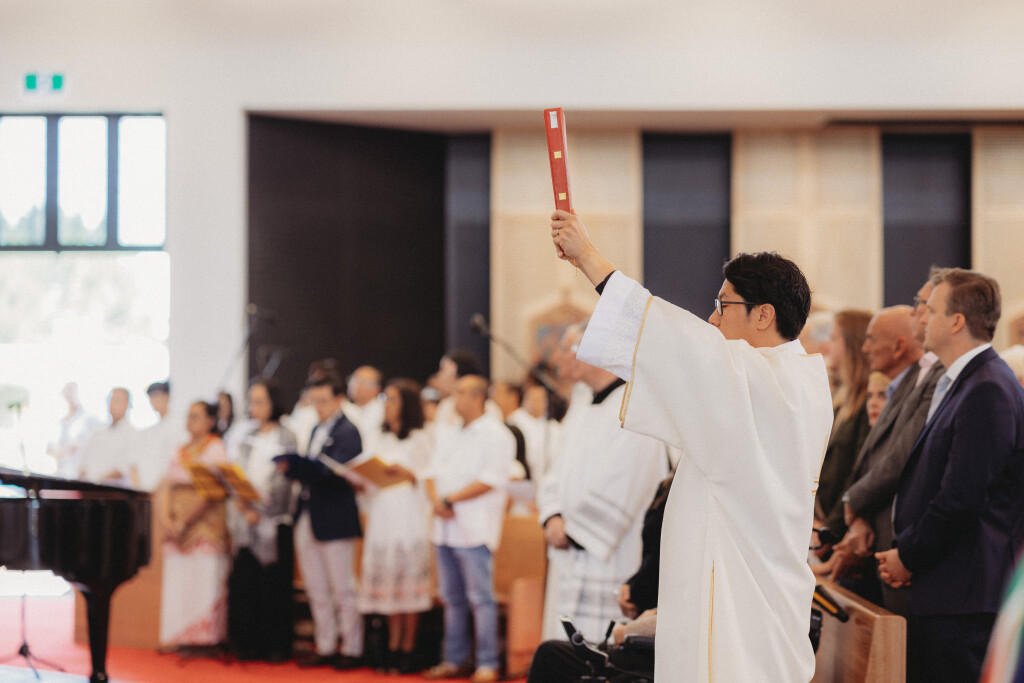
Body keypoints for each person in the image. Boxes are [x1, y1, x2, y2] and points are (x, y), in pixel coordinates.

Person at [550, 210, 834, 681]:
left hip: (740, 594)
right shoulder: (794, 379)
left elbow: (665, 335)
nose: (712, 319)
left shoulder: (767, 383)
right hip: (746, 581)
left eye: (724, 305)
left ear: (764, 314)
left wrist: (588, 258)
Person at [876, 268, 1024, 683]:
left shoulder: (987, 387)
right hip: (949, 589)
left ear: (957, 321)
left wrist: (908, 555)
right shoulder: (966, 381)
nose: (921, 318)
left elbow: (963, 496)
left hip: (965, 595)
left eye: (931, 309)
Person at [537, 320, 667, 642]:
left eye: (569, 348)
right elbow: (555, 467)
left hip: (608, 551)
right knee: (563, 644)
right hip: (568, 548)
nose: (561, 357)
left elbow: (627, 480)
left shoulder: (635, 403)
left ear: (598, 350)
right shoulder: (581, 401)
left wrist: (573, 532)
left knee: (601, 646)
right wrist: (552, 515)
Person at [838, 272, 946, 616]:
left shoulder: (941, 377)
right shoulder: (916, 376)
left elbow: (901, 457)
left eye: (923, 306)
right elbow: (873, 456)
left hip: (909, 549)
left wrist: (853, 502)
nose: (917, 314)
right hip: (883, 539)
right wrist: (856, 515)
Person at [422, 375, 515, 683]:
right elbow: (431, 471)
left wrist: (450, 499)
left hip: (474, 527)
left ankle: (487, 662)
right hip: (444, 526)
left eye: (460, 392)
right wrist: (437, 500)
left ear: (477, 397)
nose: (454, 398)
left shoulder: (496, 434)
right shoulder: (449, 431)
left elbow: (491, 479)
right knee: (451, 598)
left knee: (480, 598)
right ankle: (454, 658)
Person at [277, 374, 365, 669]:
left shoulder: (348, 431)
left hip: (334, 515)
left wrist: (305, 468)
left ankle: (352, 647)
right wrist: (293, 467)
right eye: (315, 401)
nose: (318, 407)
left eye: (324, 401)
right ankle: (325, 644)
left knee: (342, 586)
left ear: (340, 399)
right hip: (309, 512)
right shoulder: (316, 427)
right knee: (316, 587)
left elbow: (334, 471)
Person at [357, 378, 433, 674]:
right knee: (388, 582)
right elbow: (368, 472)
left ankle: (408, 647)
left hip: (409, 514)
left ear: (407, 404)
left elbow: (429, 477)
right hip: (383, 514)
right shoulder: (379, 436)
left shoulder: (420, 437)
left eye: (392, 399)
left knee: (407, 583)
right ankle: (391, 644)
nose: (387, 405)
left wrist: (409, 473)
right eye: (384, 399)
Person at [226, 378, 297, 662]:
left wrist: (262, 508)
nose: (254, 407)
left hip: (273, 519)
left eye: (260, 401)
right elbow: (238, 472)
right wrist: (243, 504)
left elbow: (285, 479)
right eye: (251, 401)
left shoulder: (286, 436)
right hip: (247, 517)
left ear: (273, 403)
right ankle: (246, 642)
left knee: (273, 584)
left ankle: (274, 644)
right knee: (246, 583)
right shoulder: (246, 435)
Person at [157, 400, 230, 650]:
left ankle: (204, 640)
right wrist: (167, 520)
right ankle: (180, 637)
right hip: (176, 524)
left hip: (202, 526)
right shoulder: (180, 449)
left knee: (202, 580)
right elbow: (165, 485)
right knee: (180, 582)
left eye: (196, 416)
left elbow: (211, 491)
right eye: (188, 415)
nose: (190, 421)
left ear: (211, 421)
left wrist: (184, 523)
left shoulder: (215, 448)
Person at [812, 309, 872, 559]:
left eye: (834, 339)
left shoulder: (868, 402)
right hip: (824, 521)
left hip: (839, 531)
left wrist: (830, 529)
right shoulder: (843, 397)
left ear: (852, 345)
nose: (828, 346)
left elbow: (856, 472)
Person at [79, 387, 138, 486]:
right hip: (87, 489)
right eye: (110, 400)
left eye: (117, 401)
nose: (112, 404)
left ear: (127, 404)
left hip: (113, 491)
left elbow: (122, 469)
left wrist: (97, 483)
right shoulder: (96, 433)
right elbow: (82, 465)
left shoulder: (133, 435)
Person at [134, 381, 187, 492]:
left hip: (167, 488)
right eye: (151, 397)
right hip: (146, 488)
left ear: (167, 396)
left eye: (157, 396)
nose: (154, 401)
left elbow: (178, 459)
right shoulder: (149, 431)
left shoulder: (179, 426)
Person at [47, 381, 101, 479]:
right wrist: (63, 452)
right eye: (66, 392)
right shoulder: (58, 422)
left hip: (81, 476)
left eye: (71, 391)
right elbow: (49, 449)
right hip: (59, 474)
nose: (69, 395)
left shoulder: (90, 419)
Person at [345, 365, 385, 451]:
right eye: (353, 379)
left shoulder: (382, 411)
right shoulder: (346, 407)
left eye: (360, 381)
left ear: (376, 389)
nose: (353, 385)